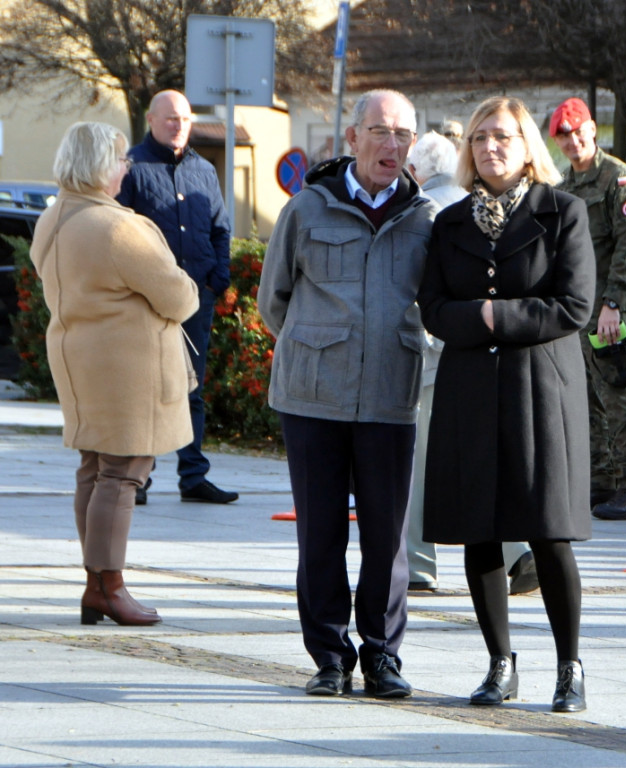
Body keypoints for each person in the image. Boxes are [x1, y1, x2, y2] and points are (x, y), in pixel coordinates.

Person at [258, 89, 438, 698]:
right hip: (313, 399)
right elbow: (272, 302)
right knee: (322, 532)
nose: (393, 145)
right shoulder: (308, 209)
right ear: (353, 138)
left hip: (390, 396)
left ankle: (383, 654)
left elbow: (437, 303)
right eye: (381, 132)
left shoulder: (426, 217)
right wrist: (320, 347)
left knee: (387, 537)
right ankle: (330, 656)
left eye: (404, 136)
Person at [419, 95, 595, 713]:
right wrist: (476, 318)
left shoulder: (563, 211)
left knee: (548, 530)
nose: (490, 146)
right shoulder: (450, 222)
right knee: (478, 529)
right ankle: (500, 663)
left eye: (504, 136)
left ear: (527, 147)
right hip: (470, 388)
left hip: (540, 387)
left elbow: (575, 305)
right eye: (480, 137)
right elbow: (434, 307)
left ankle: (570, 666)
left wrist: (498, 315)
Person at [30, 122, 198, 626]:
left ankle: (95, 585)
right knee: (122, 473)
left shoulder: (52, 219)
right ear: (101, 167)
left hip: (78, 360)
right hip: (127, 368)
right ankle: (110, 586)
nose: (126, 168)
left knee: (95, 469)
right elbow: (179, 296)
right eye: (120, 160)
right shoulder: (119, 227)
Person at [405, 133, 538, 594]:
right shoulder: (476, 204)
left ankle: (419, 566)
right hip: (482, 351)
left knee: (422, 464)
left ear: (415, 171)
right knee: (484, 460)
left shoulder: (419, 209)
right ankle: (517, 551)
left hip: (432, 351)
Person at [117, 90, 237, 506]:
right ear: (151, 119)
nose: (178, 125)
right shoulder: (131, 168)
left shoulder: (204, 170)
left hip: (194, 299)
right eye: (170, 118)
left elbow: (221, 229)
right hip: (146, 303)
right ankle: (138, 477)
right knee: (145, 388)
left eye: (184, 119)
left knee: (192, 389)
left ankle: (193, 476)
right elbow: (119, 233)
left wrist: (217, 280)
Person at [551, 97, 626, 521]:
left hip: (608, 310)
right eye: (564, 136)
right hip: (575, 310)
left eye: (578, 132)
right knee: (585, 400)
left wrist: (613, 303)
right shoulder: (563, 188)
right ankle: (601, 482)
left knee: (617, 395)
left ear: (592, 129)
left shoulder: (618, 179)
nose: (573, 141)